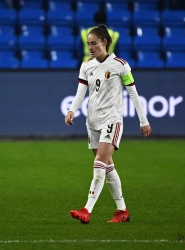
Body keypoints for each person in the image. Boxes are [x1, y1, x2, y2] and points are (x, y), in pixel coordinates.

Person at [65, 24, 151, 224]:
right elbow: (81, 92)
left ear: (105, 42)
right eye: (88, 44)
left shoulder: (120, 64)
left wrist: (143, 120)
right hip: (92, 121)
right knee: (107, 166)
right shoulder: (87, 65)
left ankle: (87, 209)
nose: (90, 48)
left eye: (94, 43)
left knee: (99, 164)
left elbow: (133, 93)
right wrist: (71, 109)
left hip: (112, 120)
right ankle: (122, 210)